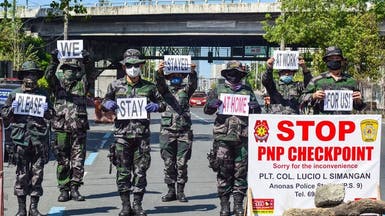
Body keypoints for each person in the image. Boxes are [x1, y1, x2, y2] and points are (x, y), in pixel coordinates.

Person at [102, 49, 166, 216]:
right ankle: (125, 205)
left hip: (142, 137)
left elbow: (163, 104)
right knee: (123, 172)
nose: (133, 68)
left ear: (141, 66)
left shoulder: (149, 87)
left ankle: (137, 204)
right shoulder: (115, 85)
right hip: (121, 136)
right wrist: (107, 104)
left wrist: (156, 106)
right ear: (124, 67)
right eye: (130, 65)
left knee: (140, 172)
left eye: (136, 65)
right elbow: (104, 101)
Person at [204, 60, 261, 216]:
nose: (234, 76)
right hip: (222, 138)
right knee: (223, 171)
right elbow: (207, 110)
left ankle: (237, 205)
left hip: (242, 138)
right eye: (231, 73)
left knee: (240, 172)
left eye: (237, 74)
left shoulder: (247, 90)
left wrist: (255, 108)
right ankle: (224, 205)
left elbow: (258, 114)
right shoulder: (218, 89)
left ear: (241, 75)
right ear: (226, 74)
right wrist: (212, 104)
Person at [44, 49, 99, 202]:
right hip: (61, 127)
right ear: (62, 71)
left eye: (74, 70)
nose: (70, 72)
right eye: (67, 69)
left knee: (78, 159)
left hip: (79, 128)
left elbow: (91, 73)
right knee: (62, 159)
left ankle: (75, 188)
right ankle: (63, 188)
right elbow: (48, 76)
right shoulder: (57, 86)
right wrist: (54, 59)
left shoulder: (82, 84)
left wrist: (87, 60)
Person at [1, 61, 53, 216]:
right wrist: (12, 109)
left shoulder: (43, 94)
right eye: (28, 74)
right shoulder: (15, 94)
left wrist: (47, 110)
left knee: (37, 174)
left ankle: (34, 208)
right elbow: (4, 115)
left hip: (38, 139)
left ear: (37, 77)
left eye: (34, 74)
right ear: (22, 76)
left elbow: (52, 114)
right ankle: (22, 209)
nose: (31, 77)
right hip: (20, 140)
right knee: (22, 173)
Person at [155, 60, 197, 203]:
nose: (176, 76)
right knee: (168, 162)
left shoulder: (186, 90)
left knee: (182, 163)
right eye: (173, 74)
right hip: (167, 131)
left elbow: (193, 84)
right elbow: (159, 83)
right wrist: (159, 72)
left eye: (179, 74)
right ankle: (170, 190)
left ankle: (180, 191)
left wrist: (192, 72)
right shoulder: (164, 90)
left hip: (184, 131)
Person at [300, 46, 366, 114]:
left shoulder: (352, 81)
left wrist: (358, 100)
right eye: (331, 58)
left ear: (342, 61)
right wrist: (313, 96)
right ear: (326, 61)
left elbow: (360, 107)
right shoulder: (317, 80)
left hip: (344, 122)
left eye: (337, 58)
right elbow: (301, 99)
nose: (334, 60)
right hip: (323, 122)